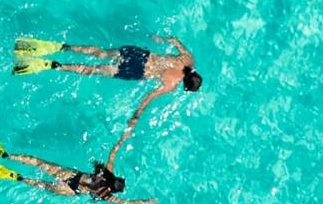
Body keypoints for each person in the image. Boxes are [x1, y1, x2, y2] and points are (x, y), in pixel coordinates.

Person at [12, 35, 201, 164]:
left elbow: (175, 41)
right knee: (94, 70)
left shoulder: (188, 58)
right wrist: (135, 117)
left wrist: (160, 39)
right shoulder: (171, 84)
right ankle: (57, 66)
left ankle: (64, 47)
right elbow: (148, 97)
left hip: (138, 55)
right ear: (185, 85)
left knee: (101, 53)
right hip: (135, 71)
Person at [0, 129, 155, 204]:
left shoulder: (107, 174)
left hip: (73, 178)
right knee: (41, 184)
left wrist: (122, 139)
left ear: (115, 179)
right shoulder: (107, 195)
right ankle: (14, 176)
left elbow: (112, 153)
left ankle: (6, 155)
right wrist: (144, 202)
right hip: (71, 189)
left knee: (38, 162)